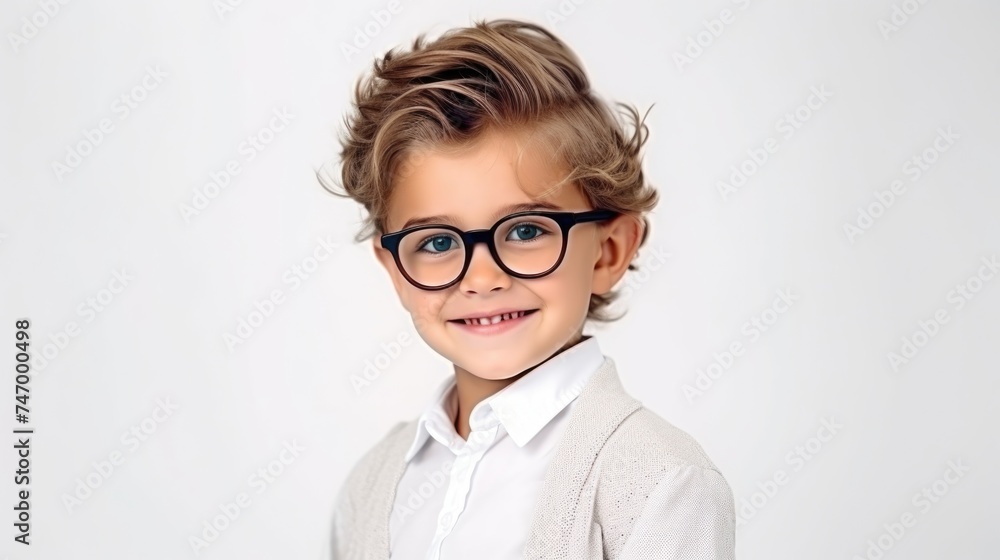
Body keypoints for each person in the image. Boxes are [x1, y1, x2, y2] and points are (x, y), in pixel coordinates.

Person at [320, 18, 735, 560]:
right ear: (395, 268)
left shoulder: (656, 481)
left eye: (525, 231)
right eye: (438, 242)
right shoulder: (373, 482)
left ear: (609, 252)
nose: (482, 277)